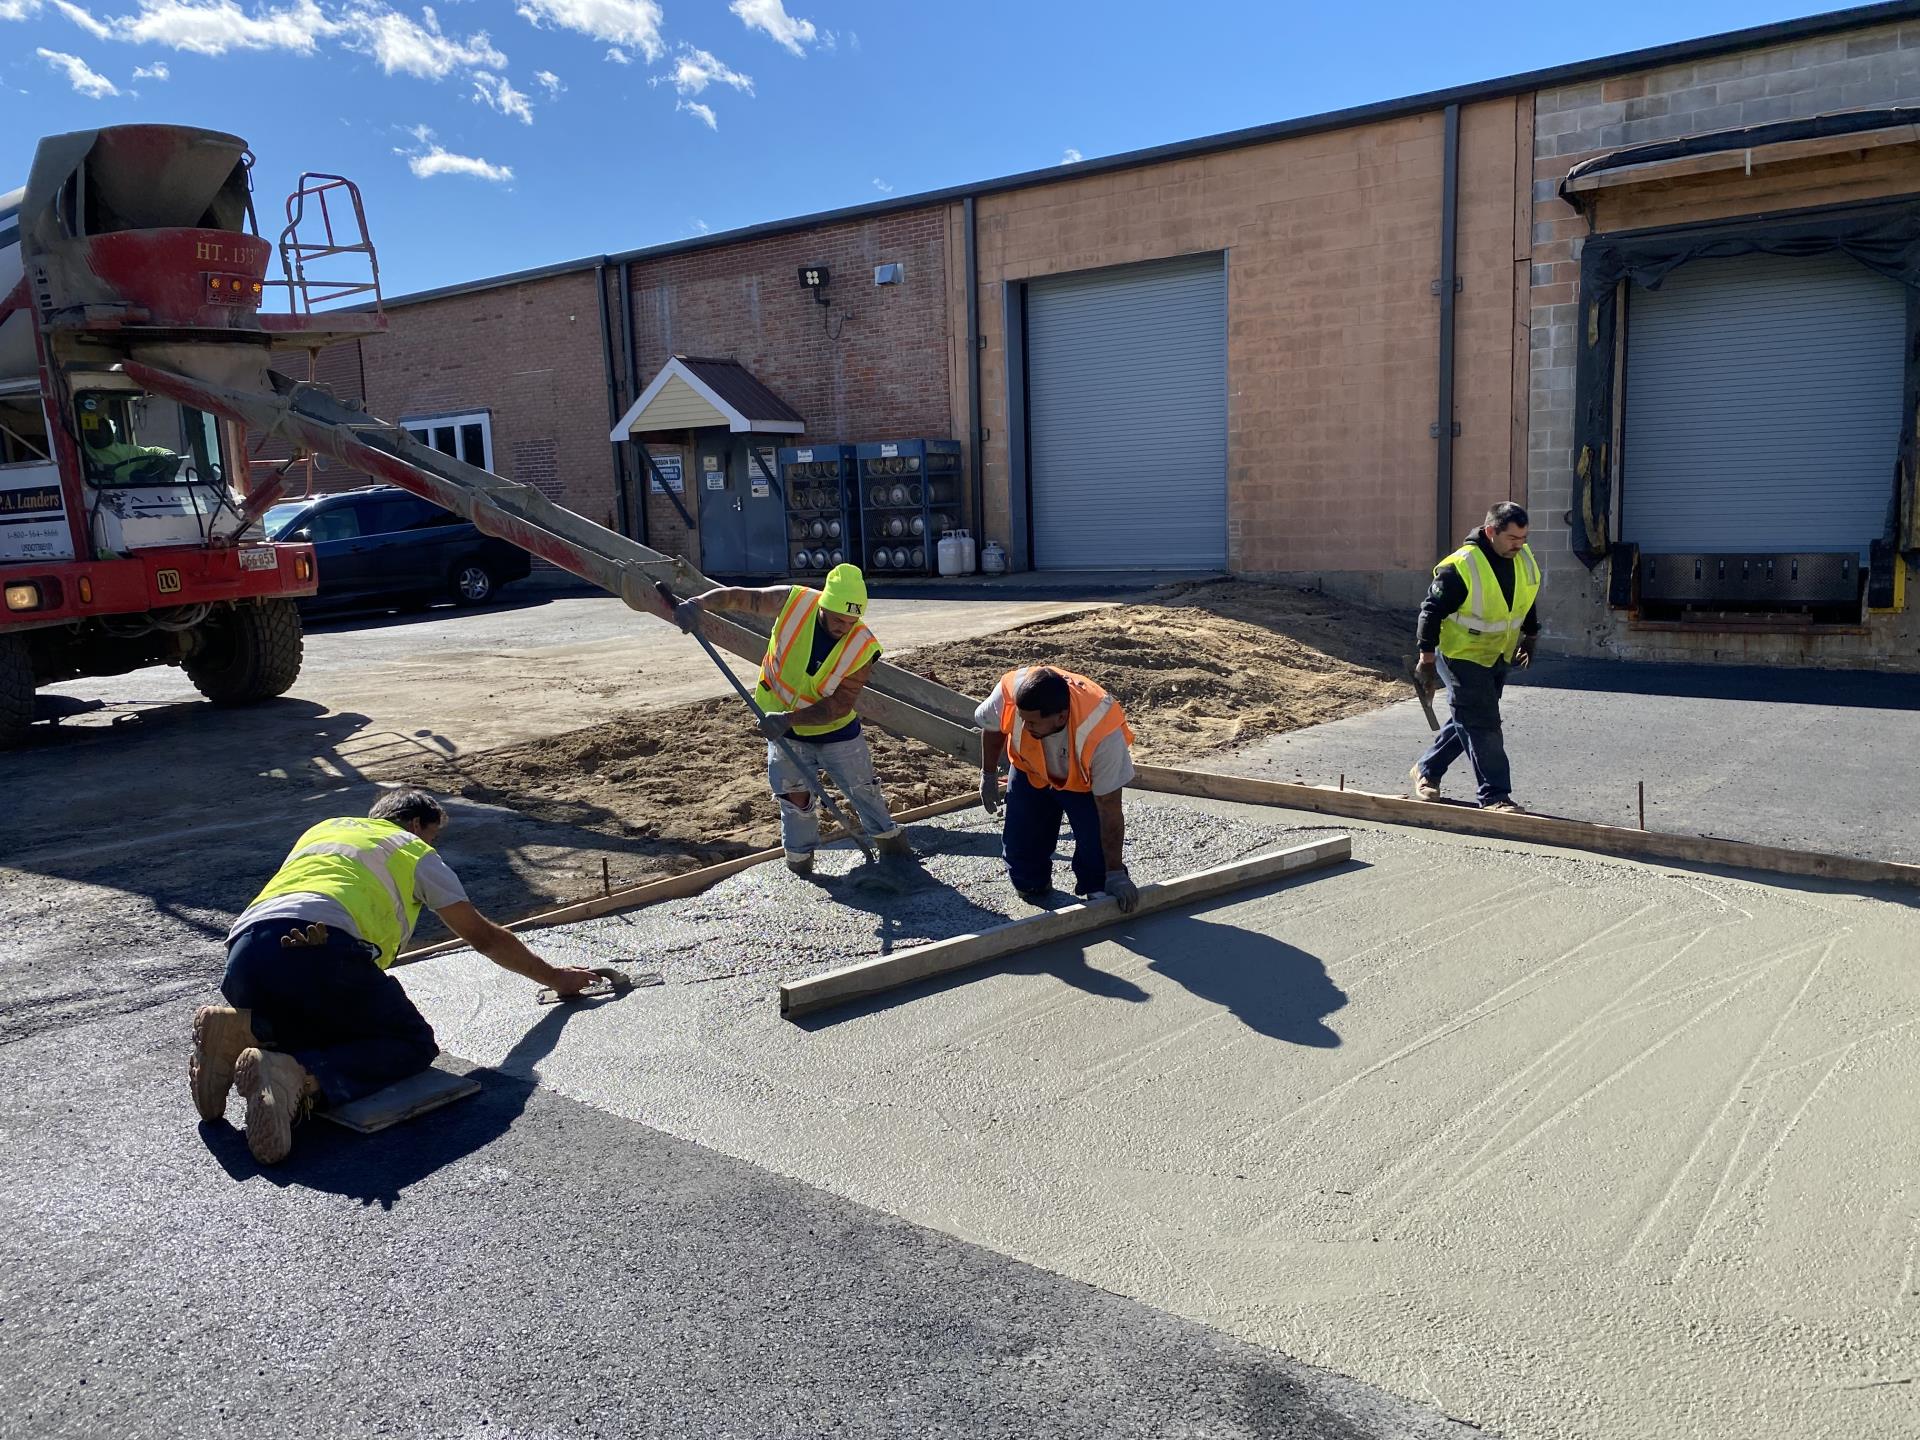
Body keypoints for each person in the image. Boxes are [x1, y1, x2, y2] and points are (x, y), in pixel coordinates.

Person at [190, 789, 600, 1163]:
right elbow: (484, 938)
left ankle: (244, 1029)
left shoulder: (326, 830)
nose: (432, 845)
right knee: (410, 1043)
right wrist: (555, 978)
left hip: (244, 956)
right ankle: (299, 1075)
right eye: (433, 836)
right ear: (416, 824)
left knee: (324, 1023)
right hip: (319, 950)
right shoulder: (412, 850)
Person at [673, 563, 910, 873]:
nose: (843, 627)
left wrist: (788, 719)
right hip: (781, 724)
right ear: (823, 605)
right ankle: (800, 862)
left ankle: (893, 850)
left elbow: (839, 705)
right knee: (794, 796)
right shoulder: (794, 602)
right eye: (838, 619)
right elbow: (742, 598)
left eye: (851, 621)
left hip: (834, 731)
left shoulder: (862, 645)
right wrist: (700, 604)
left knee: (863, 790)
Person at [1409, 501, 1542, 815]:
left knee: (1468, 716)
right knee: (1483, 722)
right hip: (1459, 654)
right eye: (1512, 539)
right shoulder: (1461, 566)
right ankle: (1495, 796)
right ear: (1490, 531)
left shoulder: (1522, 557)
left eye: (1523, 539)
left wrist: (1531, 634)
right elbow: (1430, 613)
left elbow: (1528, 595)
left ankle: (1426, 770)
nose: (1519, 545)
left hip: (1496, 652)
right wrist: (1427, 660)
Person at [976, 666, 1140, 912]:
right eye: (1023, 718)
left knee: (1098, 862)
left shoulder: (1102, 733)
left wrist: (1114, 872)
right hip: (1029, 771)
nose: (1025, 725)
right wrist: (988, 774)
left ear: (1061, 717)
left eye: (1033, 722)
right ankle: (1033, 884)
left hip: (1082, 787)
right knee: (1023, 864)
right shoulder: (1010, 692)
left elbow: (1110, 809)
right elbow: (993, 727)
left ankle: (1099, 887)